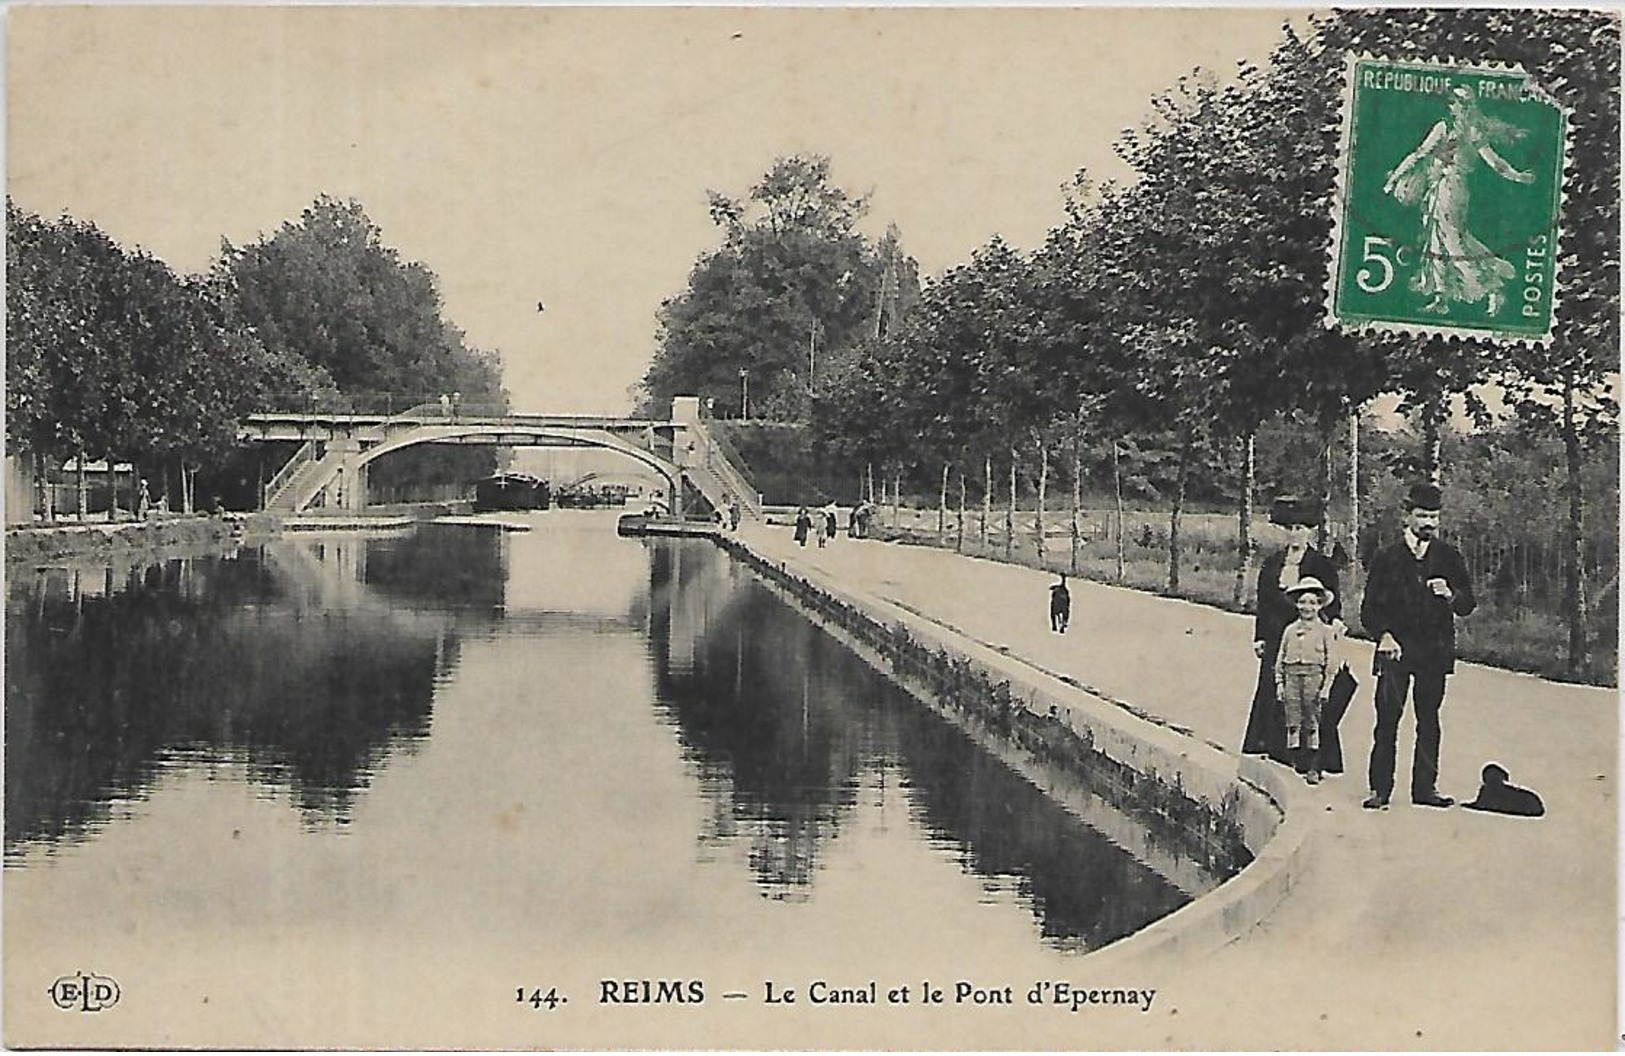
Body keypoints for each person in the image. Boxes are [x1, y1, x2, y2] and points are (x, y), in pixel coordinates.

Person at [1360, 482, 1477, 810]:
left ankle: (1425, 789)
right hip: (1394, 650)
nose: (1429, 523)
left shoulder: (1448, 556)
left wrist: (1451, 596)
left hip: (1434, 652)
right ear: (1407, 517)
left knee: (1429, 719)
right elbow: (1369, 609)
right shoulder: (1387, 557)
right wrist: (1383, 635)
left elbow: (1469, 602)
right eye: (1422, 516)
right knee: (1387, 719)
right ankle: (1380, 789)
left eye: (1434, 517)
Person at [1383, 84, 1534, 317]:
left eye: (1456, 103)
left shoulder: (1454, 129)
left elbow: (1420, 153)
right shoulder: (1469, 130)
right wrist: (1517, 176)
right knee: (1438, 240)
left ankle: (1493, 289)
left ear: (1458, 106)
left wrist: (1394, 178)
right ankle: (1441, 296)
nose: (1454, 106)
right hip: (1446, 189)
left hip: (1449, 190)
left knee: (1452, 242)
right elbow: (1495, 162)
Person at [1241, 497, 1342, 768]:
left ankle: (1310, 754)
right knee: (1274, 685)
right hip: (1277, 634)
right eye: (1291, 529)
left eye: (1301, 528)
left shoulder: (1321, 564)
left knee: (1309, 692)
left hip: (1309, 634)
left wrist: (1333, 626)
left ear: (1310, 532)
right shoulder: (1273, 563)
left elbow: (1333, 601)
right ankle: (1271, 744)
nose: (1295, 534)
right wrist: (1260, 636)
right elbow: (1263, 602)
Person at [1274, 577, 1340, 785]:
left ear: (1320, 605)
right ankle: (1295, 761)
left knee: (1313, 721)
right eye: (1302, 602)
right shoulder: (1290, 630)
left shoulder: (1325, 631)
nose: (1307, 607)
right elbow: (1280, 658)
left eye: (1312, 602)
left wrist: (1326, 687)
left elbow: (1332, 662)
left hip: (1314, 676)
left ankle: (1314, 766)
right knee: (1293, 718)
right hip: (1292, 675)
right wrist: (1279, 683)